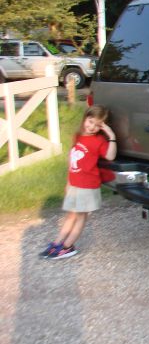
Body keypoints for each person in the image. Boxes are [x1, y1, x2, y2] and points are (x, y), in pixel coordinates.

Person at [40, 105, 117, 259]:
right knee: (70, 215)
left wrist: (111, 135)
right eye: (90, 122)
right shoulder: (78, 136)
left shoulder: (99, 140)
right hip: (75, 183)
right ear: (85, 118)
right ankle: (57, 243)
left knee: (81, 216)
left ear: (102, 126)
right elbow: (72, 159)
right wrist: (68, 182)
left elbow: (110, 156)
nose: (92, 127)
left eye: (97, 125)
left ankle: (68, 247)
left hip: (87, 185)